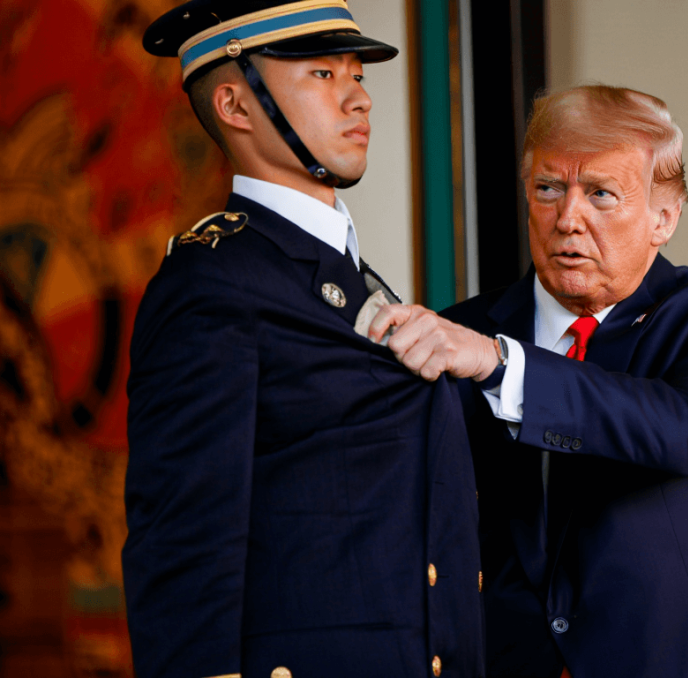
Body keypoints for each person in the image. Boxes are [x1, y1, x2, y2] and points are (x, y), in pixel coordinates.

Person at [365, 85, 688, 678]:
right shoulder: (458, 332)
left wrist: (502, 366)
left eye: (601, 193)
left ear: (664, 217)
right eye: (548, 189)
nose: (568, 218)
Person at [124, 2, 482, 677]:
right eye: (323, 73)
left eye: (358, 75)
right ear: (235, 103)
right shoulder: (213, 282)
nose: (359, 98)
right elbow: (184, 543)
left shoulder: (345, 276)